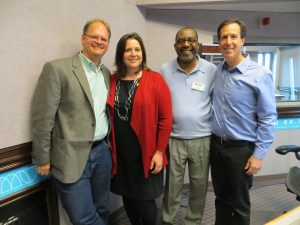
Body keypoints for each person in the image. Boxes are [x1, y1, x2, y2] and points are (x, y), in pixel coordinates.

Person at [31, 19, 112, 225]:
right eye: (94, 36)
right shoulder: (57, 69)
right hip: (70, 156)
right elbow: (43, 118)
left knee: (102, 209)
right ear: (83, 39)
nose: (99, 41)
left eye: (104, 39)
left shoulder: (106, 74)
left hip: (102, 152)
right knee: (83, 218)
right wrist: (42, 157)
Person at [210, 18, 277, 225]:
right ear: (219, 41)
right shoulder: (218, 71)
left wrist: (258, 155)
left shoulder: (260, 74)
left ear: (242, 41)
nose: (228, 41)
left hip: (241, 150)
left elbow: (268, 118)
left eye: (233, 36)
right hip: (217, 147)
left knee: (239, 205)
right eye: (223, 37)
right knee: (221, 200)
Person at [106, 32, 172, 225]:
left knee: (145, 202)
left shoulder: (155, 80)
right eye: (128, 49)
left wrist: (159, 151)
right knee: (128, 198)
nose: (133, 54)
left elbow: (166, 119)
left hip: (146, 152)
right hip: (121, 153)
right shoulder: (112, 80)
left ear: (143, 53)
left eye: (137, 49)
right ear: (121, 54)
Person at [161, 27, 217, 225]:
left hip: (202, 138)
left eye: (191, 40)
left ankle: (193, 221)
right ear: (175, 45)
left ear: (198, 44)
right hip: (173, 138)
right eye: (181, 40)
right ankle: (167, 220)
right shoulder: (164, 70)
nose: (186, 44)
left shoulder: (211, 70)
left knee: (199, 185)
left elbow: (218, 102)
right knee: (172, 186)